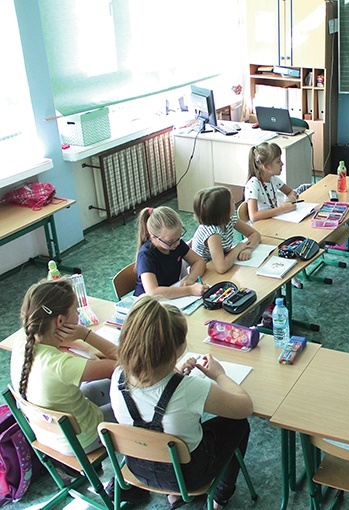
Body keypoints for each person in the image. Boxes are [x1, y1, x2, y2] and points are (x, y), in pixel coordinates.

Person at [110, 295, 253, 510]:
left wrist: (174, 373)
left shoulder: (118, 375)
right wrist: (219, 375)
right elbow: (244, 407)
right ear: (175, 350)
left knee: (166, 435)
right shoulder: (189, 389)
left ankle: (173, 496)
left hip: (138, 469)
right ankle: (220, 496)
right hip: (188, 477)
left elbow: (150, 394)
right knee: (238, 424)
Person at [10, 279, 117, 455]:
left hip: (49, 434)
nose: (78, 314)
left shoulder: (24, 339)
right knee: (132, 396)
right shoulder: (62, 366)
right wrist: (86, 335)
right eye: (76, 310)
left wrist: (86, 347)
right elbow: (128, 364)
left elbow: (56, 339)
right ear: (60, 321)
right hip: (84, 439)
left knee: (97, 389)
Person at [133, 206, 208, 298]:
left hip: (171, 295)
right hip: (149, 304)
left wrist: (190, 279)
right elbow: (152, 292)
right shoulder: (146, 255)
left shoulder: (175, 243)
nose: (177, 244)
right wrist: (190, 290)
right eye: (170, 242)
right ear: (154, 237)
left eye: (179, 238)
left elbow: (199, 262)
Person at [192, 186, 261, 274]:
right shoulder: (213, 234)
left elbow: (255, 234)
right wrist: (238, 248)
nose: (234, 202)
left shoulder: (230, 219)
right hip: (206, 273)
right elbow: (221, 267)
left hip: (221, 262)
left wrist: (248, 249)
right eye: (232, 201)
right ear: (223, 210)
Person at [244, 142, 299, 222]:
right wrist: (282, 209)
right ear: (266, 166)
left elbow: (291, 192)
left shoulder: (273, 179)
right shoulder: (253, 184)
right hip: (261, 227)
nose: (282, 164)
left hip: (273, 221)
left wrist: (290, 201)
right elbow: (254, 216)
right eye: (278, 161)